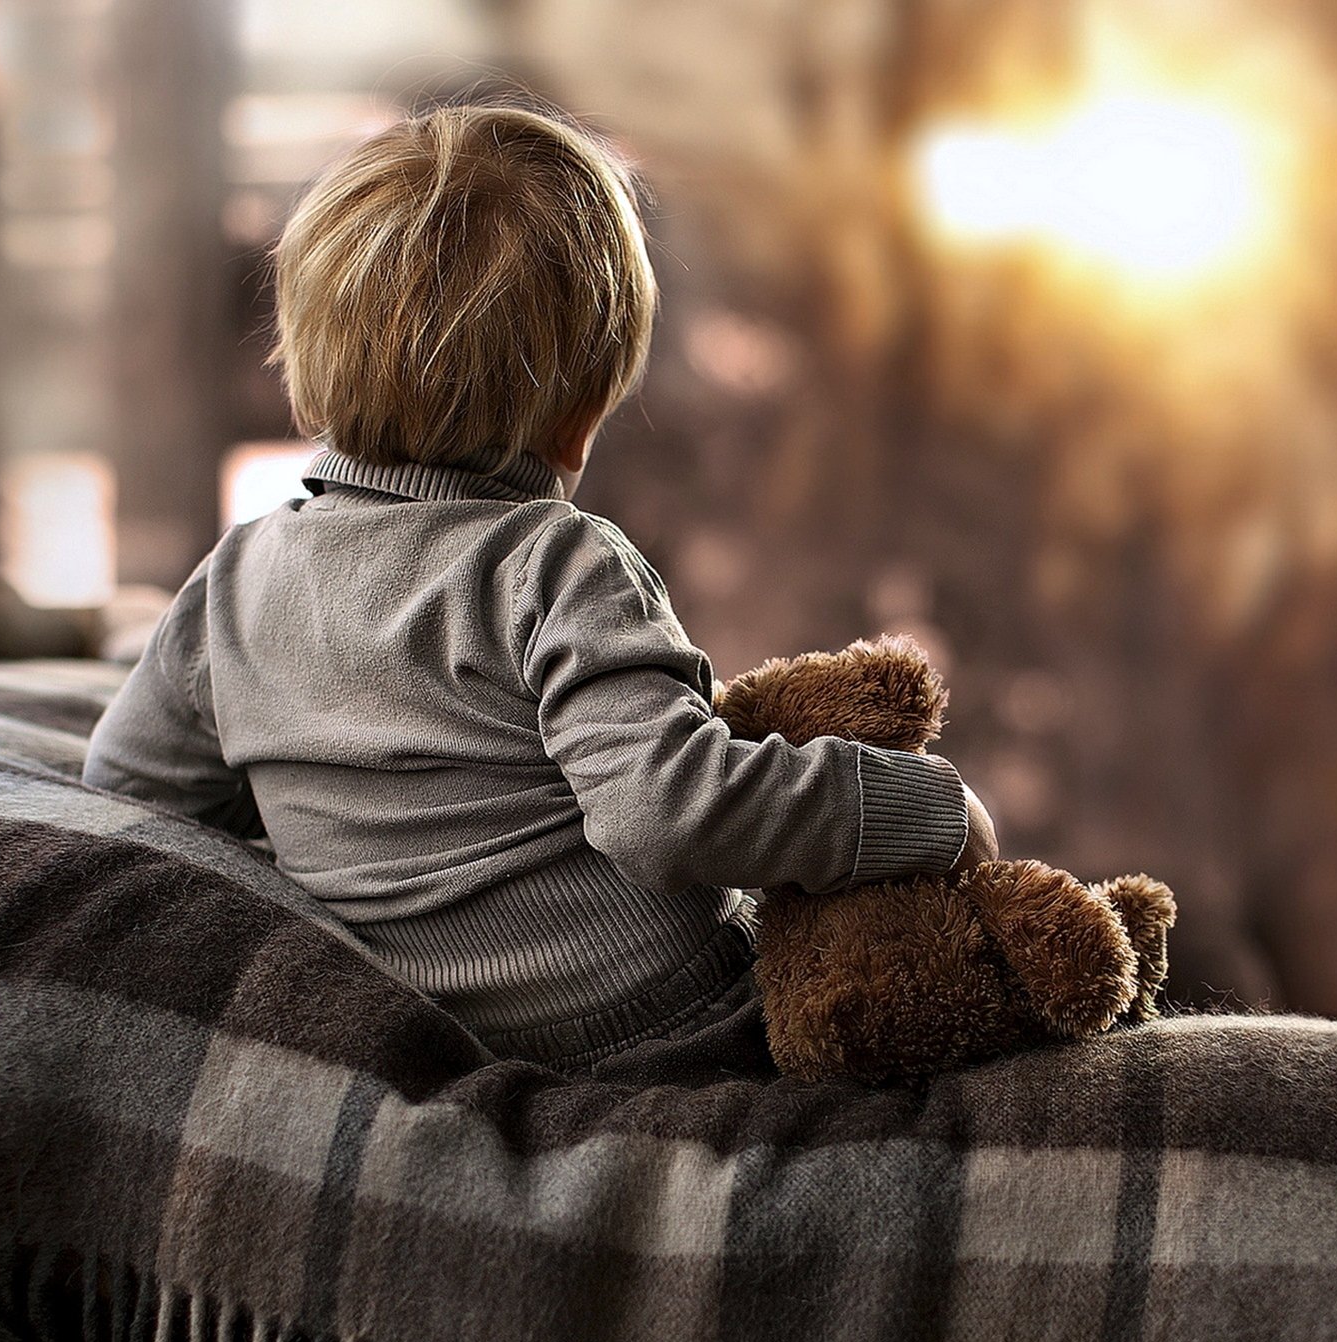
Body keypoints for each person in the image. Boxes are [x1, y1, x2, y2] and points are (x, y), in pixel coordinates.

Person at [83, 104, 996, 1070]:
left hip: (430, 1036)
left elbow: (131, 786)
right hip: (677, 1021)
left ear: (303, 380)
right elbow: (669, 808)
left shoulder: (234, 586)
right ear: (583, 418)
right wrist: (930, 810)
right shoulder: (555, 566)